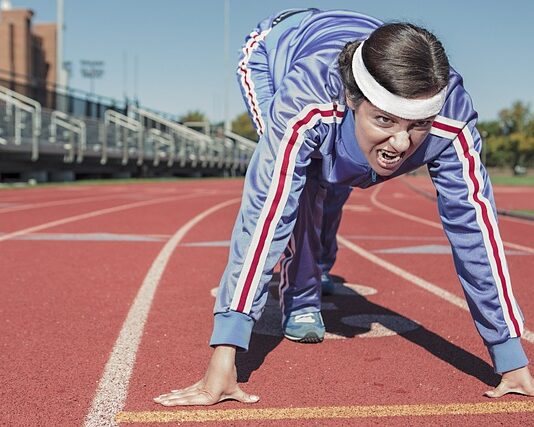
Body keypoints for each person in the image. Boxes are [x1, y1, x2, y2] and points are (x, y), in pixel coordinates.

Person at [154, 8, 534, 405]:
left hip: (353, 52)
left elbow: (476, 231)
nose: (402, 145)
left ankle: (319, 264)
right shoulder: (306, 99)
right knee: (301, 183)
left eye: (416, 125)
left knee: (339, 177)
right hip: (274, 52)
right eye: (385, 120)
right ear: (354, 99)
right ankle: (300, 296)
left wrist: (510, 356)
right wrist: (225, 353)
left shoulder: (450, 118)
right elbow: (267, 211)